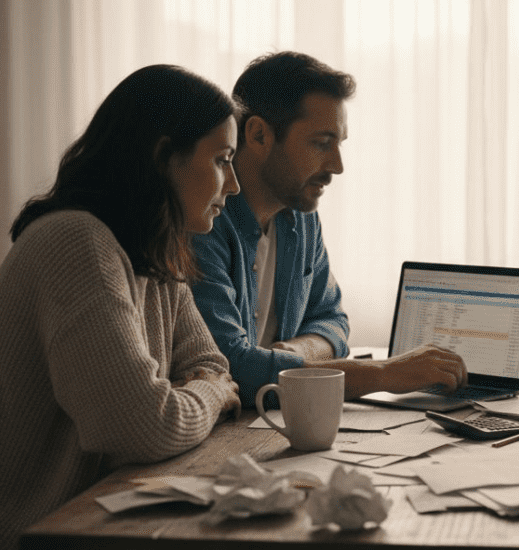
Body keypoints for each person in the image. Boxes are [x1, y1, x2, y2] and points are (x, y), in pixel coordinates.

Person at [0, 64, 315, 550]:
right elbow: (144, 425)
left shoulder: (151, 255)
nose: (231, 185)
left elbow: (208, 361)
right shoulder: (75, 243)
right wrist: (205, 392)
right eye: (221, 159)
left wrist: (197, 387)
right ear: (164, 157)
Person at [191, 51, 467, 408]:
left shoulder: (300, 216)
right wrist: (384, 374)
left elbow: (332, 319)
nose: (337, 166)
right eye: (322, 143)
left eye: (340, 144)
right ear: (259, 136)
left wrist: (292, 354)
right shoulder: (201, 223)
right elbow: (233, 369)